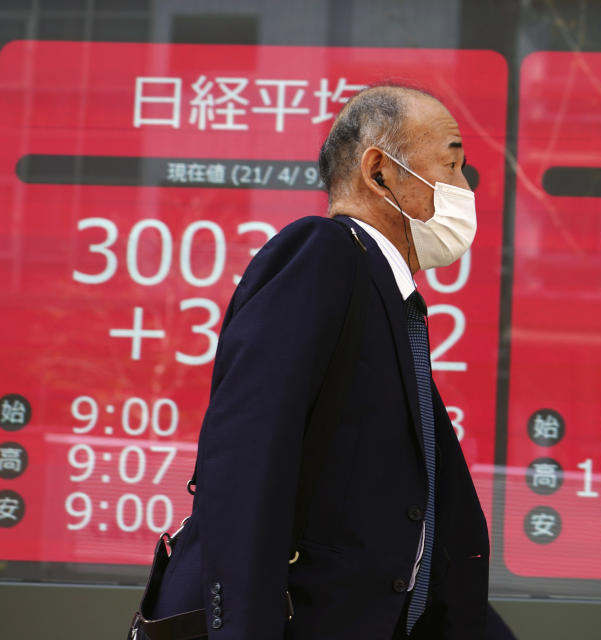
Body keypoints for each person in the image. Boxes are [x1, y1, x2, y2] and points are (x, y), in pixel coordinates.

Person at [142, 85, 491, 639]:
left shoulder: (392, 300)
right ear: (379, 172)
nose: (465, 188)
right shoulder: (322, 253)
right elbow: (245, 459)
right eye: (451, 164)